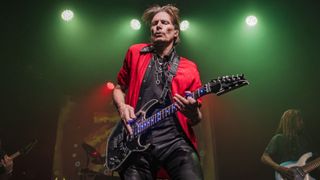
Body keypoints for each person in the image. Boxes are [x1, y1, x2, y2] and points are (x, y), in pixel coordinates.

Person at [112, 4, 203, 180]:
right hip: (136, 141)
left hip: (175, 142)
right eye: (154, 24)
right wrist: (122, 107)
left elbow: (196, 119)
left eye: (164, 22)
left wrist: (192, 112)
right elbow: (118, 88)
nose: (158, 26)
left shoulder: (189, 67)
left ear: (175, 32)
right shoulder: (135, 52)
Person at [261, 109, 319, 179]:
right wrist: (279, 168)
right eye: (299, 120)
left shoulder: (305, 140)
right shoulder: (278, 138)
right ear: (291, 122)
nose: (302, 122)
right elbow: (264, 157)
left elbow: (313, 160)